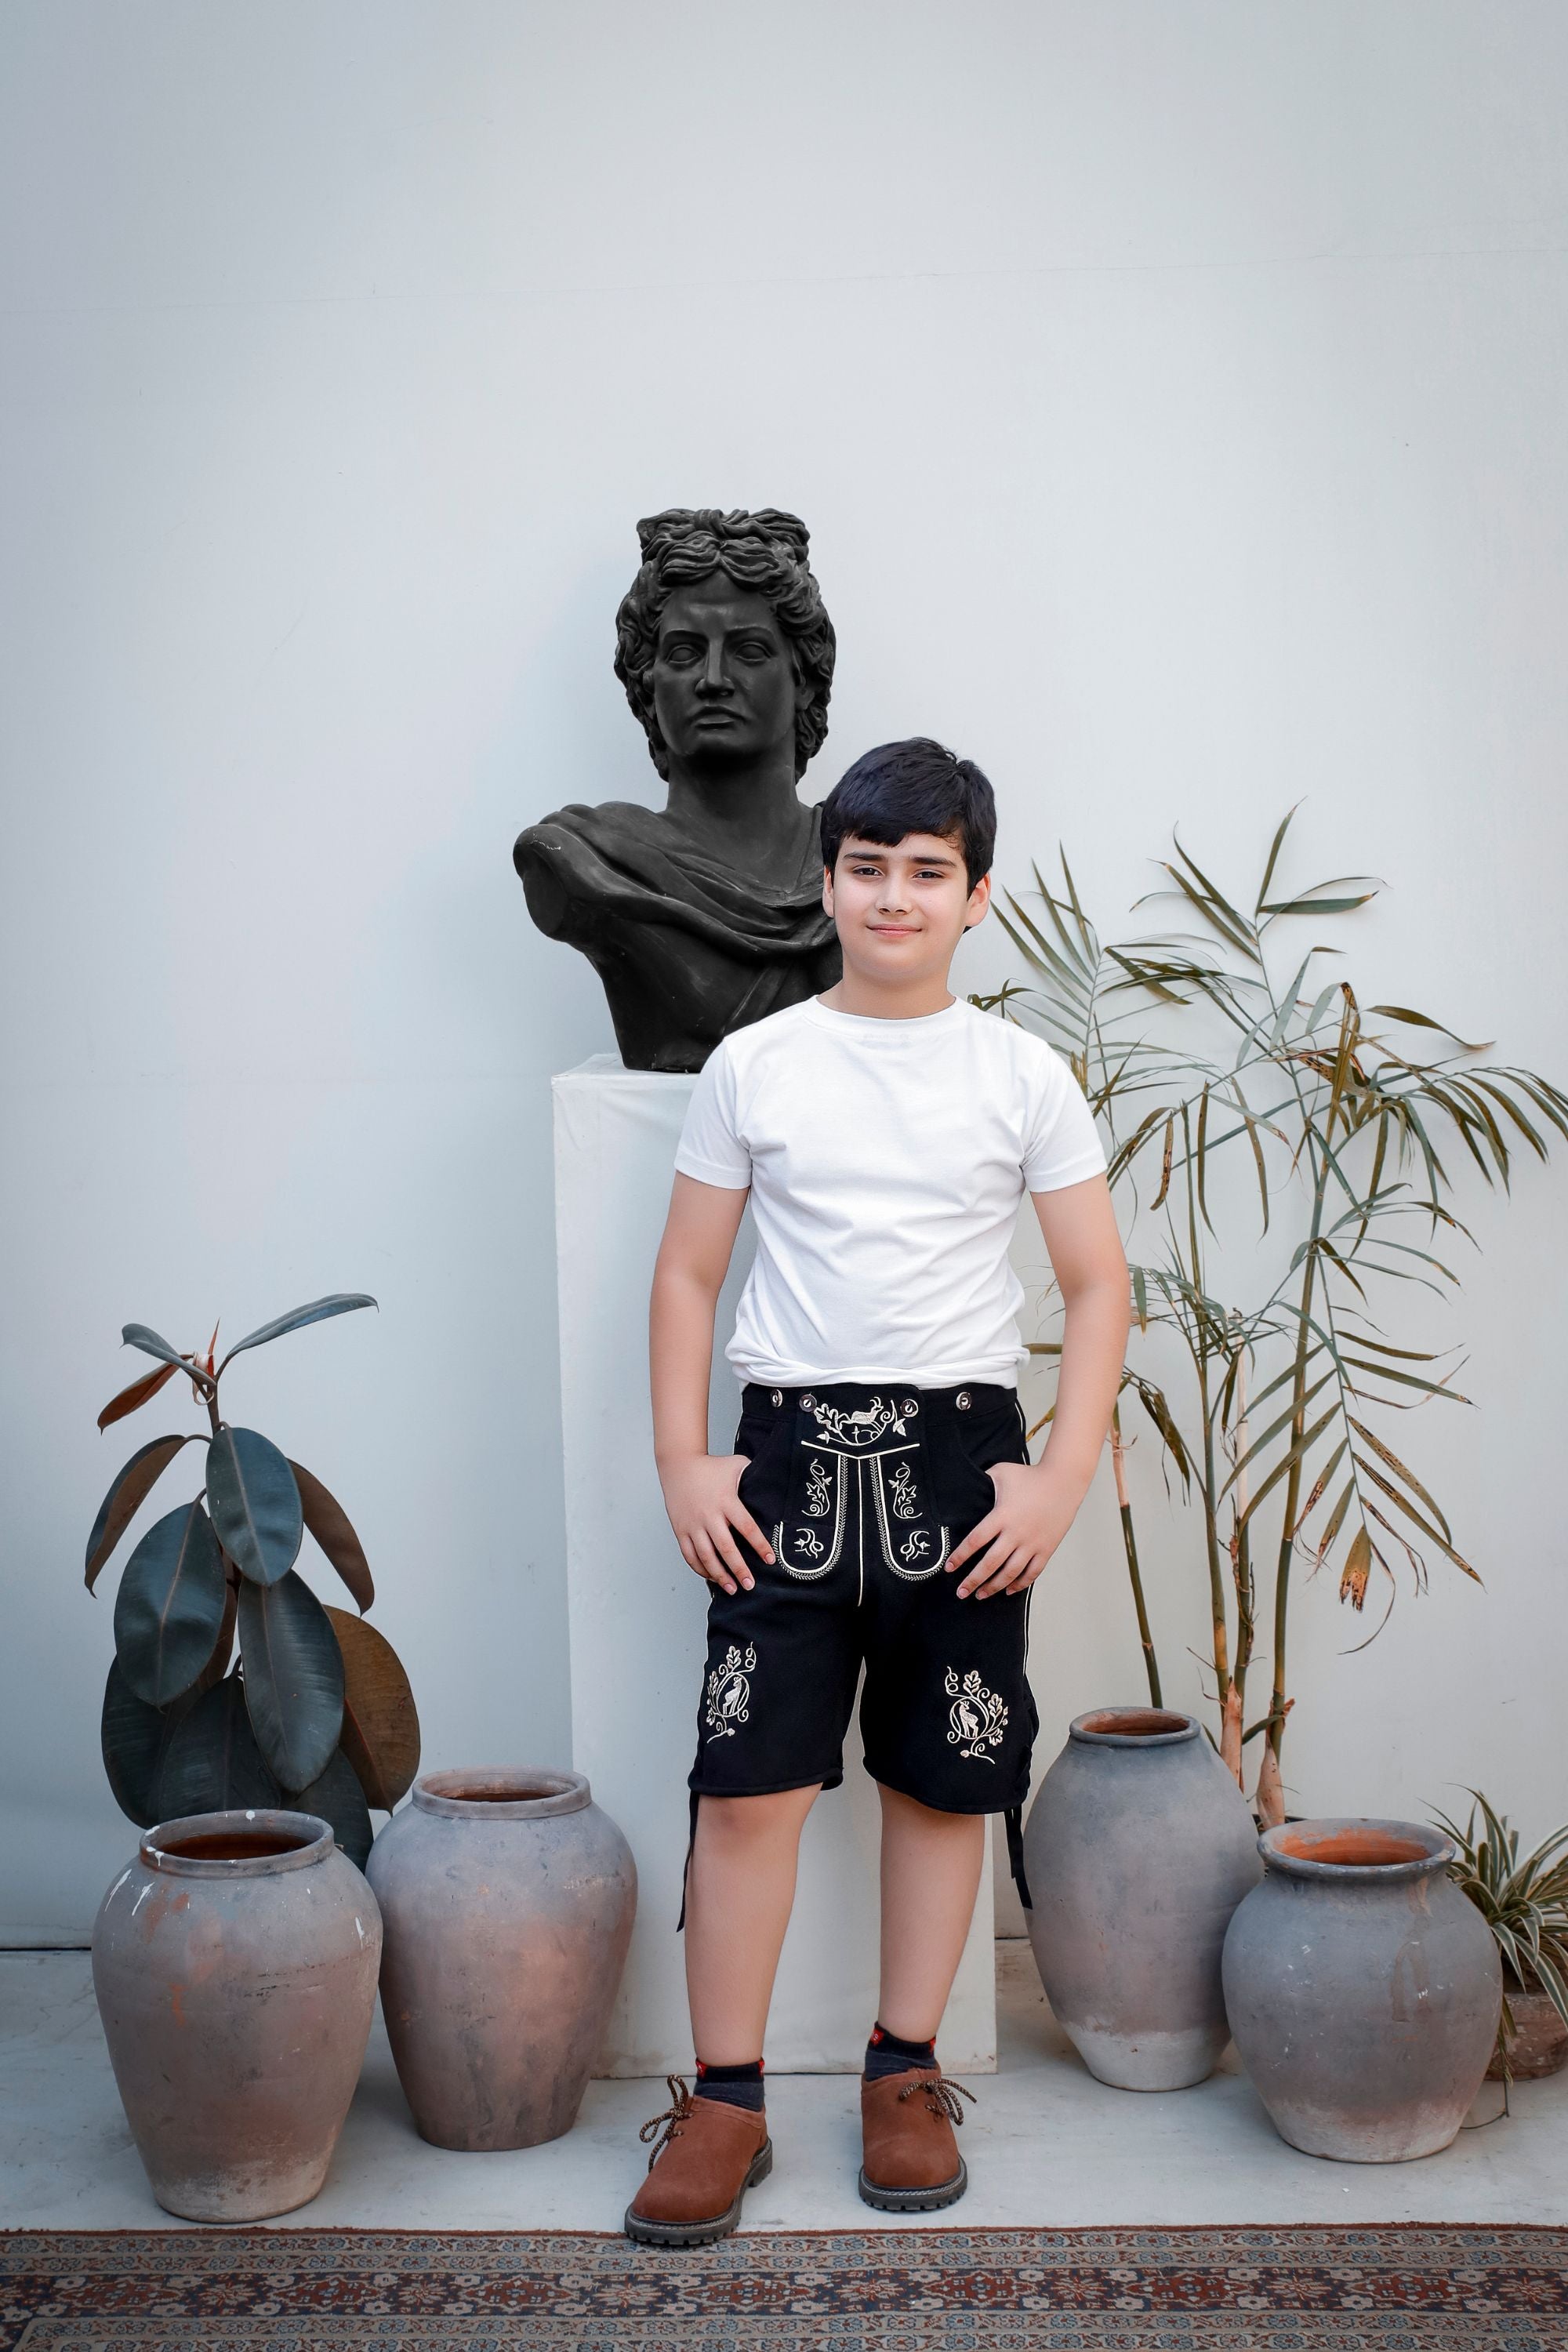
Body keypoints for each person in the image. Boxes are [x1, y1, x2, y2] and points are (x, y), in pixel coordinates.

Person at [625, 739, 1129, 2245]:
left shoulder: (1021, 1073)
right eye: (867, 868)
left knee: (938, 1774)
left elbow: (1098, 1285)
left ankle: (902, 2073)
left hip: (963, 1467)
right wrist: (683, 1454)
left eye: (928, 872)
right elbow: (688, 1272)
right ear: (828, 880)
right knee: (748, 1784)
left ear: (978, 895)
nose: (894, 897)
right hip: (779, 1465)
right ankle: (725, 2097)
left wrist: (1056, 1475)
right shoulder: (759, 1065)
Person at [514, 509, 842, 1072]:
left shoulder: (863, 860)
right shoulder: (586, 858)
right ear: (647, 680)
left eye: (750, 650)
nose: (713, 678)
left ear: (805, 679)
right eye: (685, 653)